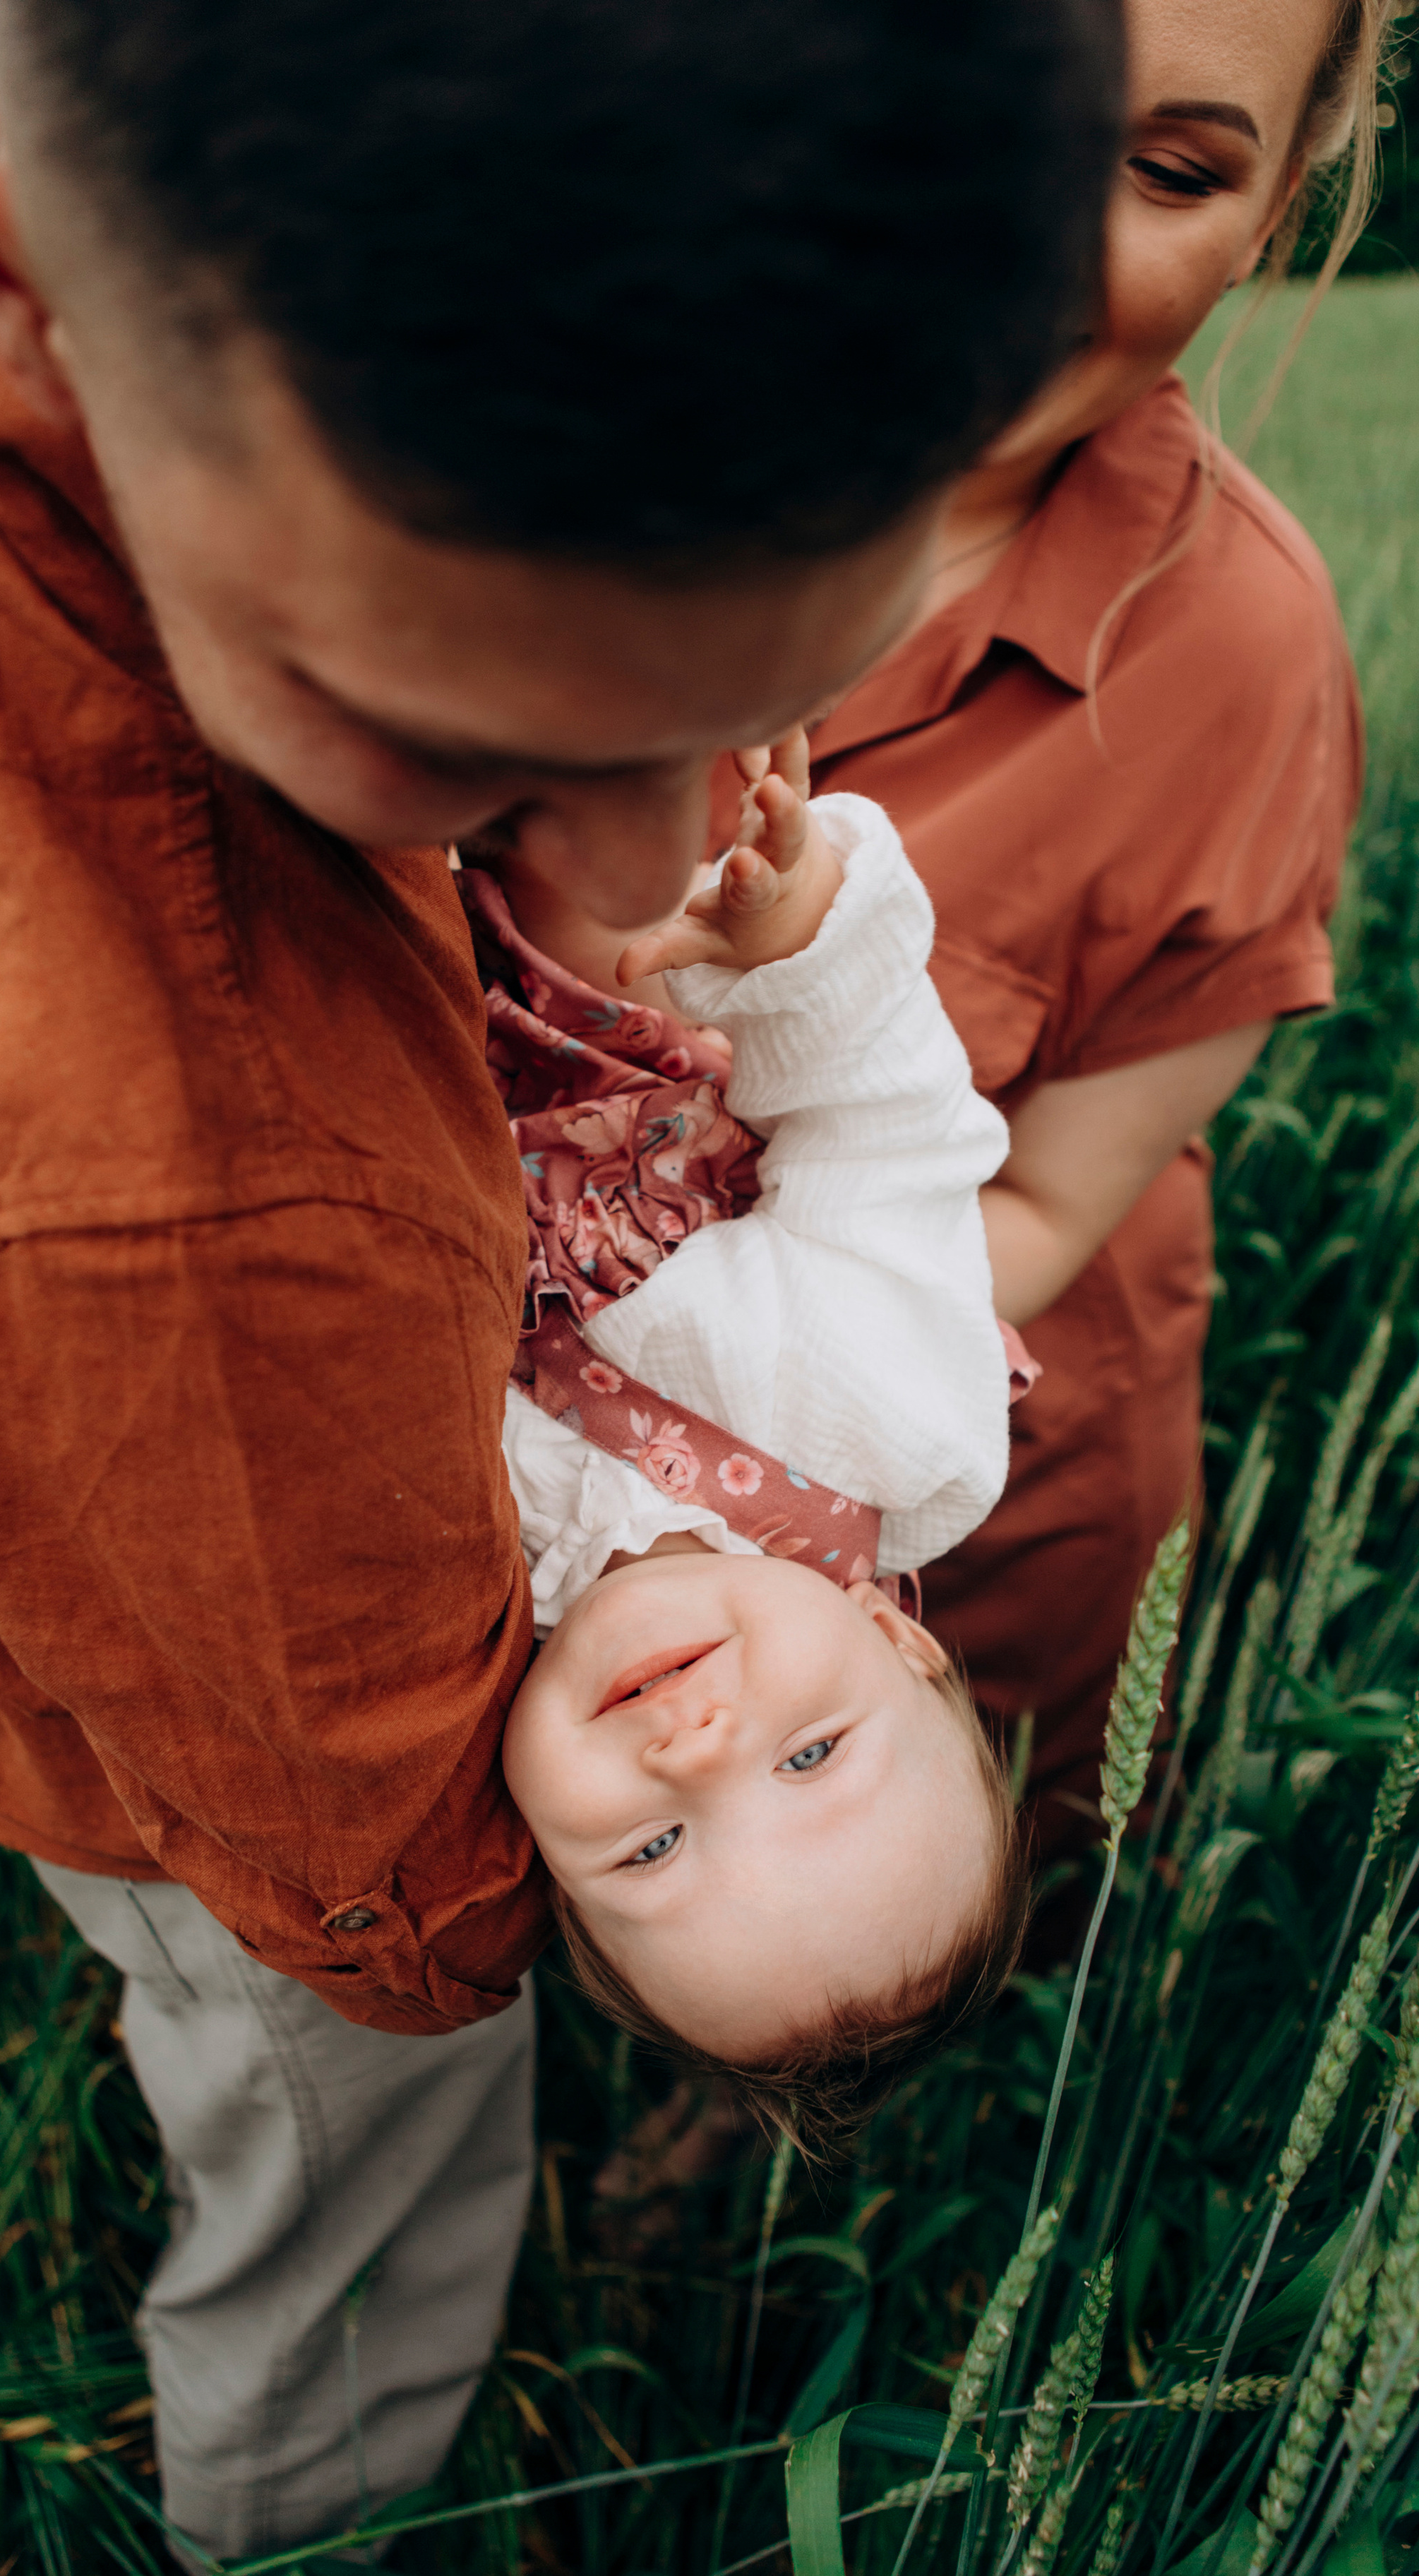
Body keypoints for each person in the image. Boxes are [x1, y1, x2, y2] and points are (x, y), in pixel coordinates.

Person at [0, 0, 1122, 2576]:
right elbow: (385, 1898)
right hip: (251, 1787)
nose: (640, 867)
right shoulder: (244, 1294)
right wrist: (816, 986)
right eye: (473, 738)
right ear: (908, 1626)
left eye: (736, 695)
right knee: (346, 2193)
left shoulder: (36, 216)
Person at [810, 0, 1378, 1856]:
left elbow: (1044, 1213)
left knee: (929, 1965)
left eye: (1167, 169)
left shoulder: (1238, 647)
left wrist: (617, 1355)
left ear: (1277, 205)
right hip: (523, 1457)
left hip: (968, 1495)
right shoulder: (527, 469)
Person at [469, 746, 1030, 2149]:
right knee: (597, 838)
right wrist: (795, 952)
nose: (697, 1749)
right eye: (808, 1758)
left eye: (651, 1848)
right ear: (900, 1645)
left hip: (364, 1097)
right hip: (586, 1021)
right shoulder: (895, 1431)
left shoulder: (455, 1628)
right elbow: (884, 1142)